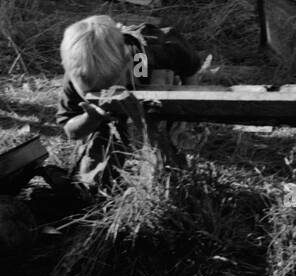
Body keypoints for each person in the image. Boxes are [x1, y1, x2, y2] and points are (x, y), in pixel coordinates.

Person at [56, 15, 200, 192]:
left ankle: (171, 177)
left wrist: (186, 112)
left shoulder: (150, 56)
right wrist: (90, 117)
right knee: (98, 158)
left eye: (110, 88)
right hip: (108, 114)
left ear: (127, 62)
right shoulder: (77, 72)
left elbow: (189, 66)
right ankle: (97, 190)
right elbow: (71, 131)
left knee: (163, 125)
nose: (104, 96)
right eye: (92, 94)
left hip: (151, 85)